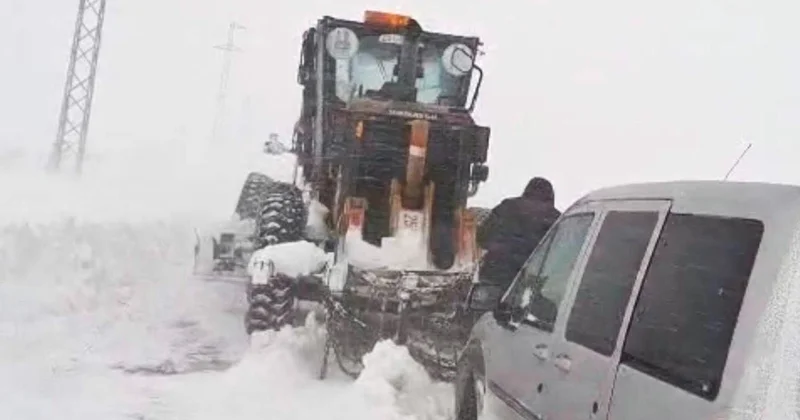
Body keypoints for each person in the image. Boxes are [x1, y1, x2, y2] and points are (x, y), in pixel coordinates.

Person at [476, 177, 561, 290]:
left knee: (485, 307)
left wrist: (501, 249)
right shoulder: (556, 218)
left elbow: (482, 238)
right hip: (532, 282)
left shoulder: (506, 207)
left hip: (495, 277)